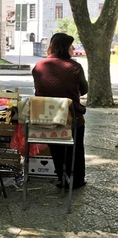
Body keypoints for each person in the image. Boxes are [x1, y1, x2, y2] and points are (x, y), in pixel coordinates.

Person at [32, 32, 88, 189]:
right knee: (77, 145)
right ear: (65, 47)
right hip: (71, 121)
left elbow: (39, 88)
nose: (73, 48)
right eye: (71, 45)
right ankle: (77, 180)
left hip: (46, 120)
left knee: (56, 144)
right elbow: (84, 90)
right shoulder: (75, 67)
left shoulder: (39, 66)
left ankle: (60, 175)